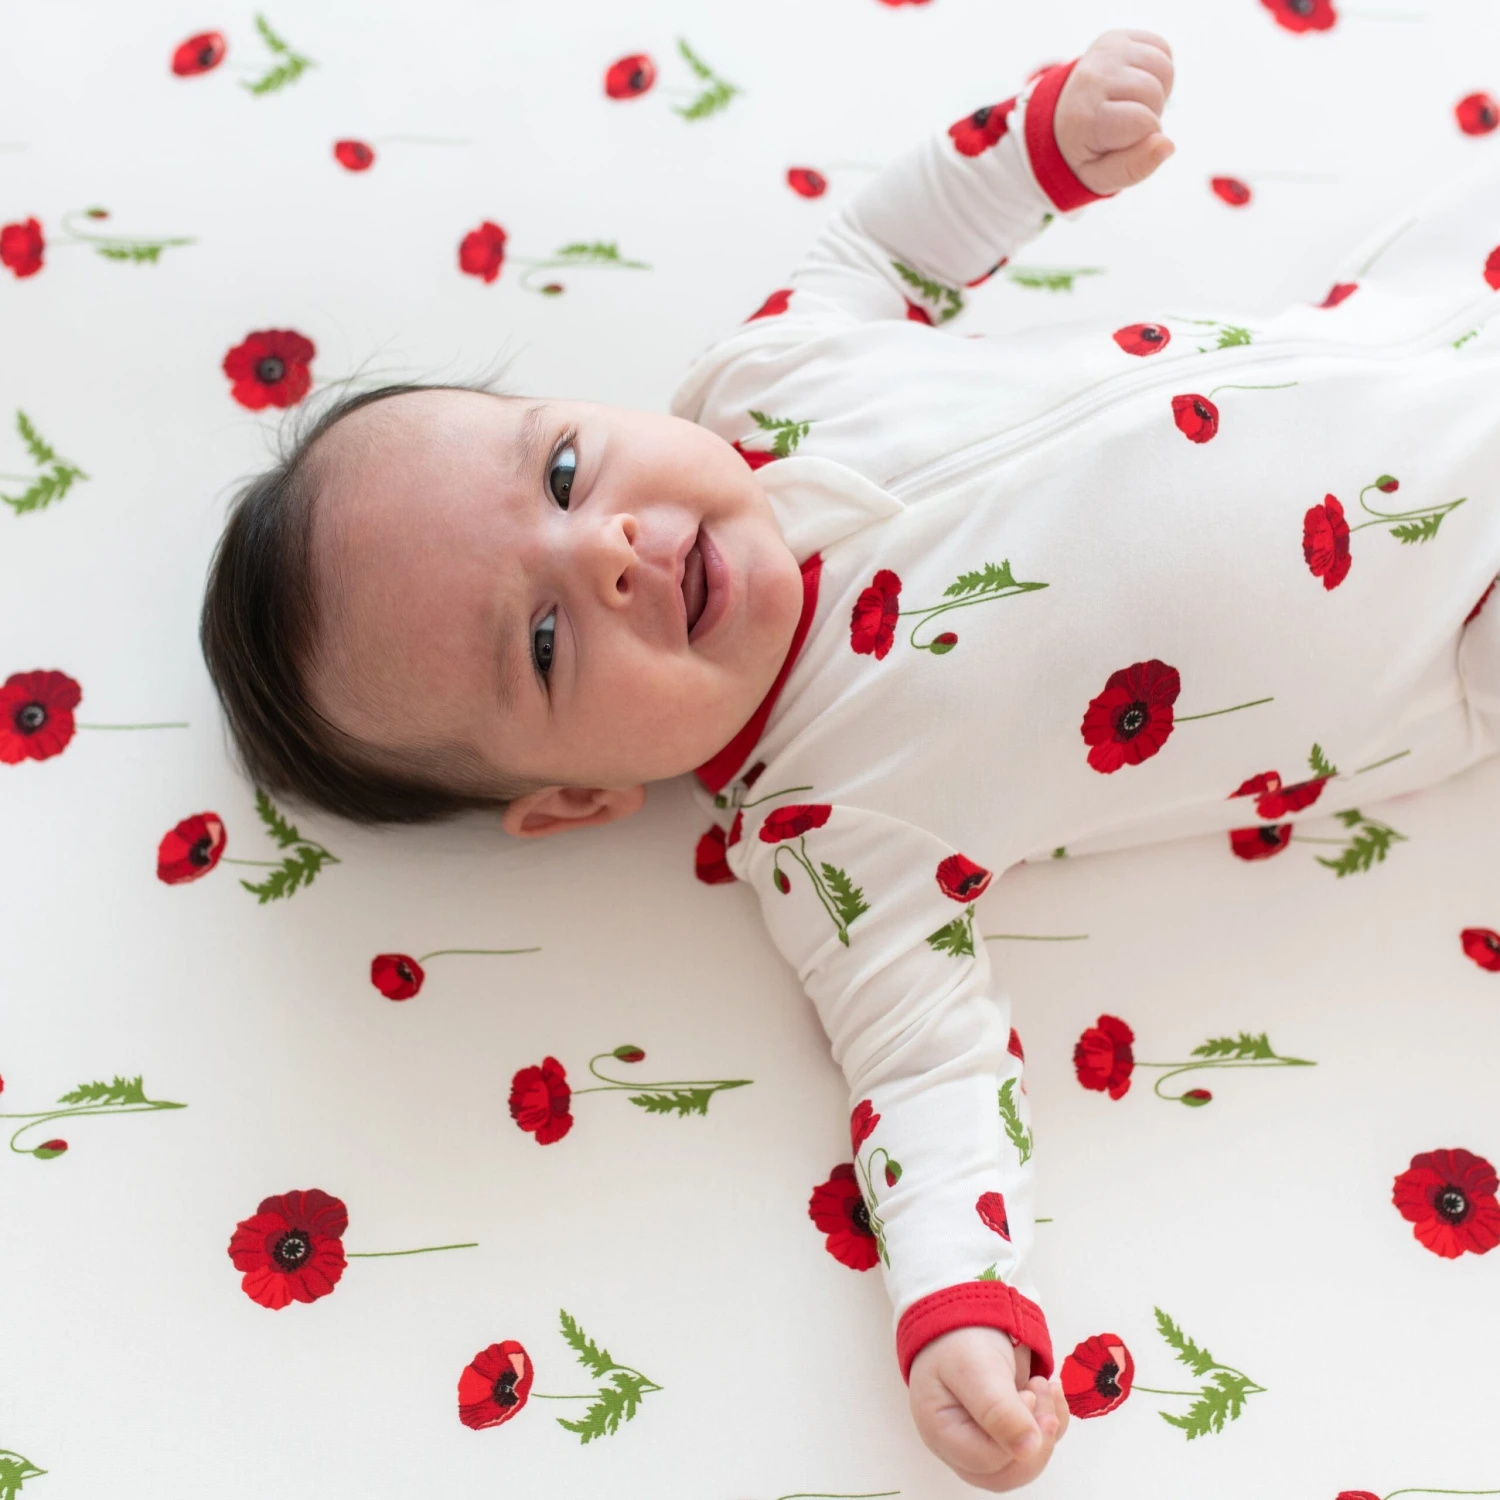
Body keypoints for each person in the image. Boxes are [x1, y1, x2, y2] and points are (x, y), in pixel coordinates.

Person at [199, 27, 1500, 1490]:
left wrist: (1039, 145)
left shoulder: (759, 372)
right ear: (577, 801)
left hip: (1407, 326)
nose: (609, 553)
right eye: (546, 645)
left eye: (562, 472)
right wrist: (957, 1307)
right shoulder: (829, 835)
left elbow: (882, 246)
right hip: (1446, 617)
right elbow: (928, 1081)